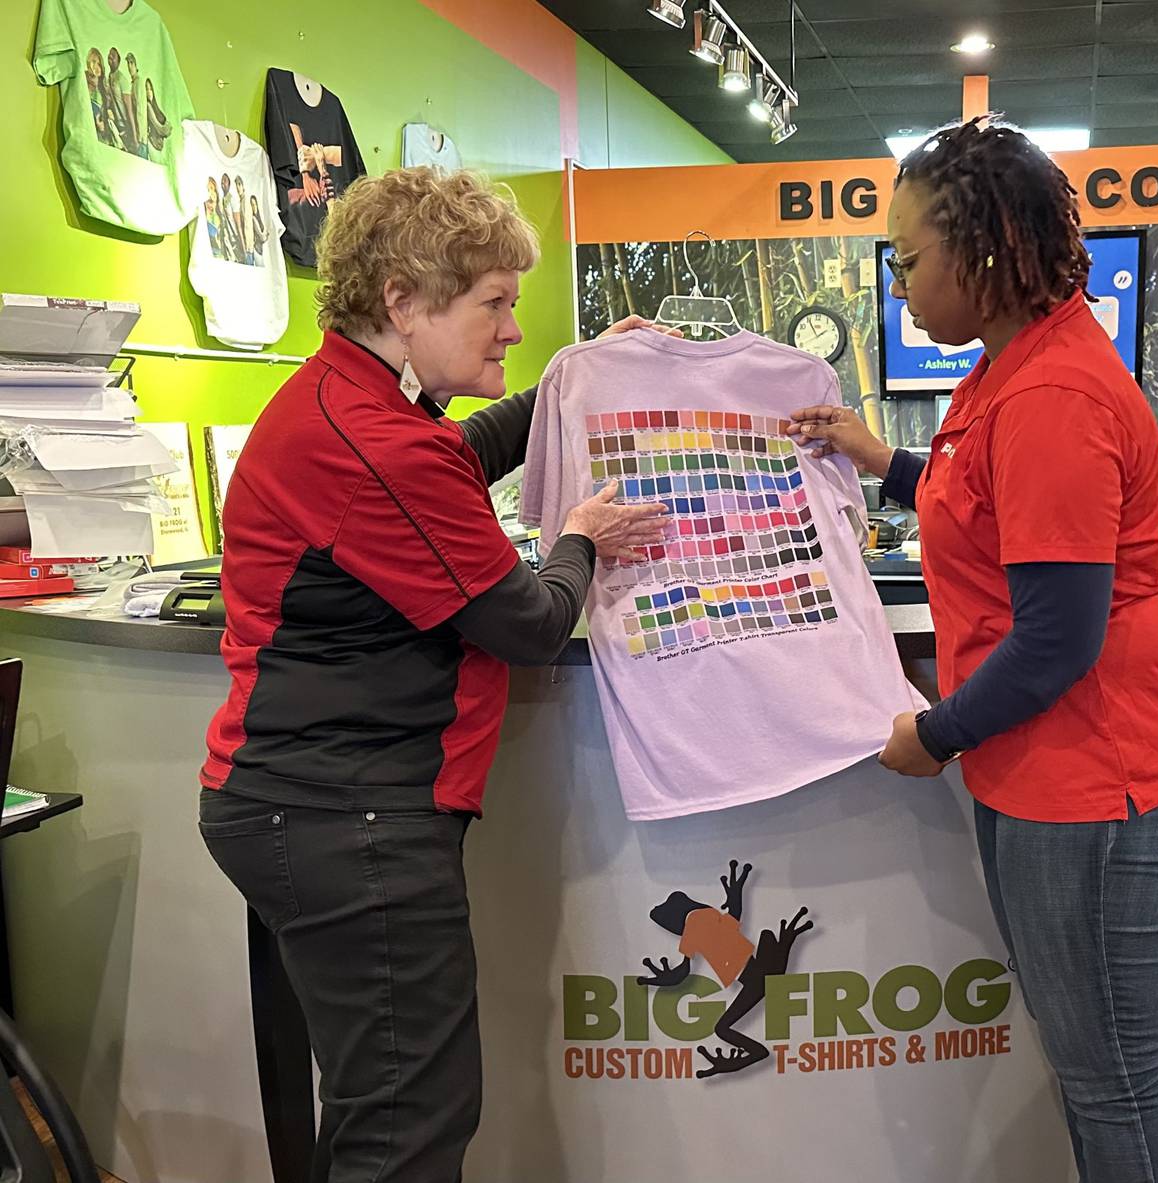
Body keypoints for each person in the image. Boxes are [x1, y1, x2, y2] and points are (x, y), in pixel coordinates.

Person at [197, 167, 671, 1182]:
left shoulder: (349, 401)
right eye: (494, 303)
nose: (510, 327)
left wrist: (571, 381)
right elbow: (532, 622)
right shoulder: (374, 444)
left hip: (312, 805)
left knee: (379, 1109)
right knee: (410, 1125)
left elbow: (450, 457)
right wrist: (578, 537)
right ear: (403, 303)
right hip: (347, 816)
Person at [789, 118, 1158, 1183]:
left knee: (1112, 1082)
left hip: (1101, 788)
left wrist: (933, 733)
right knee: (1100, 1077)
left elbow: (1057, 639)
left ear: (981, 251)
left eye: (905, 258)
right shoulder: (1016, 366)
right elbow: (979, 510)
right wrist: (876, 455)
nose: (896, 284)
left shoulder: (1049, 396)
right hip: (1062, 779)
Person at [143, 78, 171, 156]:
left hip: (160, 148)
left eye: (150, 89)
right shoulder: (148, 106)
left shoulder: (155, 106)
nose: (149, 92)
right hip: (153, 146)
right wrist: (167, 126)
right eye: (146, 89)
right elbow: (160, 129)